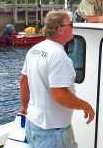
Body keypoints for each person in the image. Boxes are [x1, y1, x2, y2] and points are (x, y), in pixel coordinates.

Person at [20, 11, 95, 148]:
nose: (73, 27)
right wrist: (86, 106)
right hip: (53, 133)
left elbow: (24, 82)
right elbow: (59, 95)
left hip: (33, 125)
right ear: (60, 30)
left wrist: (26, 107)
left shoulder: (34, 50)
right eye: (70, 24)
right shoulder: (59, 56)